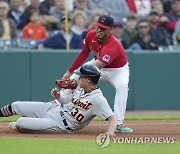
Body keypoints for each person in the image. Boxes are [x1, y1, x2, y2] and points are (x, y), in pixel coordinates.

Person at [60, 15, 133, 133]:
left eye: (103, 28)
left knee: (122, 87)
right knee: (74, 77)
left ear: (110, 30)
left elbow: (98, 65)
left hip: (117, 70)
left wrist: (79, 73)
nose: (99, 30)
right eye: (99, 27)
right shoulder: (91, 34)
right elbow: (84, 53)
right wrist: (69, 72)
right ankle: (58, 102)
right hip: (98, 62)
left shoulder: (113, 45)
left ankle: (118, 123)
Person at [0, 64, 117, 136]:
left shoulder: (98, 99)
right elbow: (67, 102)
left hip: (60, 124)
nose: (78, 78)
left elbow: (112, 118)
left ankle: (31, 125)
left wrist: (110, 132)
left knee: (21, 122)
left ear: (87, 80)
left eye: (81, 76)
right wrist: (58, 97)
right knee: (16, 105)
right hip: (54, 109)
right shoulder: (81, 89)